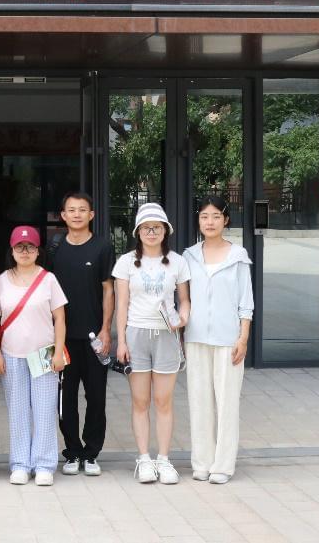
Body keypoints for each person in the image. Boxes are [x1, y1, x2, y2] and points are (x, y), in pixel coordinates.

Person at [113, 202, 191, 485]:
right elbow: (122, 304)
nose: (151, 232)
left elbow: (184, 300)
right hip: (136, 334)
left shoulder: (177, 262)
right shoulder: (125, 262)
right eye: (146, 228)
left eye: (157, 227)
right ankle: (144, 458)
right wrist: (121, 340)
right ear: (137, 231)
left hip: (167, 335)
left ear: (165, 230)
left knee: (163, 401)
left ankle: (164, 459)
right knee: (140, 401)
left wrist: (183, 318)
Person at [182, 196, 253, 485]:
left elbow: (246, 303)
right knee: (198, 401)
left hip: (228, 339)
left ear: (226, 220)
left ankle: (223, 465)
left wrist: (243, 338)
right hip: (196, 338)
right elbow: (183, 299)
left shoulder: (238, 256)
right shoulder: (189, 256)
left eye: (215, 216)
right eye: (204, 216)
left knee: (227, 403)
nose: (209, 222)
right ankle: (202, 462)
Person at [0, 225, 67, 487]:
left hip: (44, 354)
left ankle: (44, 464)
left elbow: (60, 318)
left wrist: (58, 351)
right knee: (18, 411)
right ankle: (20, 464)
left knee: (45, 410)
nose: (24, 251)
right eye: (19, 247)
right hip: (11, 354)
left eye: (30, 247)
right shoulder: (2, 280)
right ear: (12, 251)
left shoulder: (48, 279)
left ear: (38, 251)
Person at [50, 192, 115, 476]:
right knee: (65, 399)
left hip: (94, 338)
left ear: (91, 215)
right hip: (62, 338)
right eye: (71, 210)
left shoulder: (102, 247)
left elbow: (108, 290)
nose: (76, 214)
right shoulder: (55, 247)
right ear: (63, 215)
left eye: (82, 210)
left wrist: (106, 329)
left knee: (96, 397)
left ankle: (91, 453)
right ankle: (72, 452)